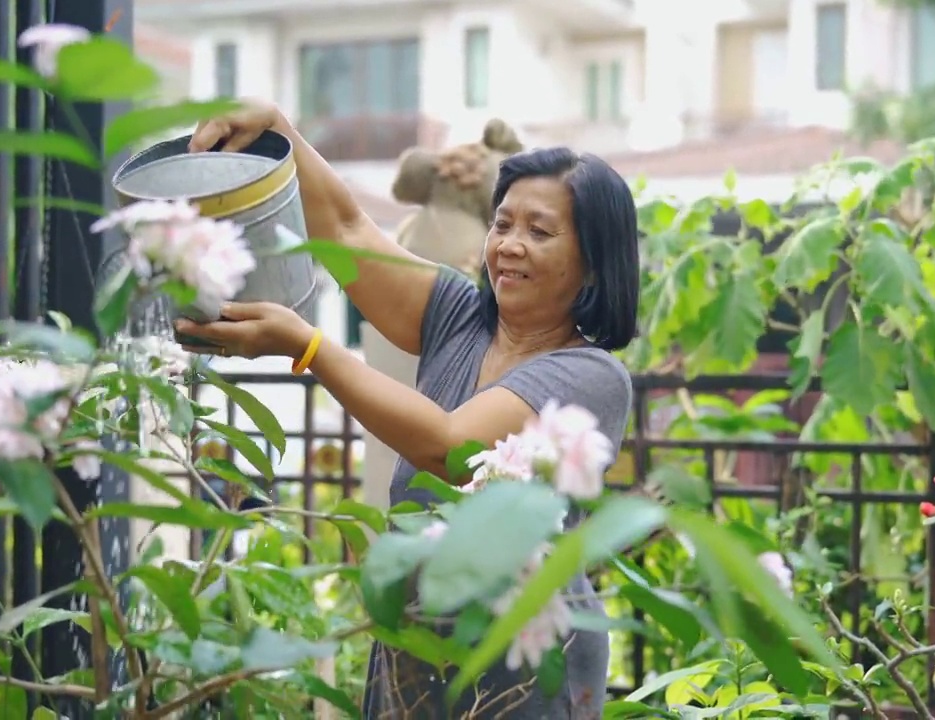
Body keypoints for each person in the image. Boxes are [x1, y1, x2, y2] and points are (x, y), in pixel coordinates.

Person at [177, 101, 640, 719]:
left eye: (540, 231)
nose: (510, 246)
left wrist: (310, 347)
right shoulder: (458, 318)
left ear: (592, 263)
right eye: (502, 224)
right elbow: (344, 229)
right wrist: (278, 132)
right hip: (416, 642)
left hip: (522, 662)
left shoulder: (591, 375)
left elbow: (449, 449)